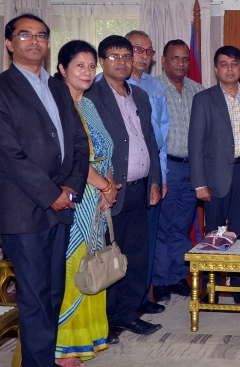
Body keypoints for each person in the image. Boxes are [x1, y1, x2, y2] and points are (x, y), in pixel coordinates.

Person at [0, 14, 89, 367]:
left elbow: (78, 143)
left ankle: (41, 360)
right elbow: (7, 154)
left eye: (41, 35)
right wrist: (51, 194)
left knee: (53, 293)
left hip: (62, 206)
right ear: (9, 43)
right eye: (25, 35)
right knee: (35, 296)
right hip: (25, 210)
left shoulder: (58, 87)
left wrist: (70, 187)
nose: (34, 41)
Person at [84, 35, 162, 344]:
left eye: (126, 56)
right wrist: (105, 185)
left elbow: (149, 141)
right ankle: (106, 321)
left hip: (140, 189)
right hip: (110, 191)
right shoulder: (91, 96)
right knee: (109, 257)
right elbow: (90, 147)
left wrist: (154, 181)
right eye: (114, 56)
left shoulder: (139, 95)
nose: (122, 61)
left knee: (136, 256)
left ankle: (128, 314)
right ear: (102, 61)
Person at [53, 40, 117, 366]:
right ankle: (64, 350)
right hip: (75, 200)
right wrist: (104, 186)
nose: (88, 71)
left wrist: (110, 188)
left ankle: (85, 341)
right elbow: (74, 159)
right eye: (80, 65)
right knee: (72, 272)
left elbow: (105, 150)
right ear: (62, 69)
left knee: (93, 269)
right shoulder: (58, 106)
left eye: (92, 66)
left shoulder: (88, 104)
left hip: (97, 201)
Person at [189, 46, 240, 304]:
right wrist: (199, 183)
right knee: (214, 234)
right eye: (223, 64)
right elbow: (195, 144)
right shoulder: (204, 99)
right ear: (216, 69)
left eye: (234, 63)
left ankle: (239, 286)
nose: (229, 69)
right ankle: (212, 287)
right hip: (215, 176)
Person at [153, 39, 204, 302]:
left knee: (181, 226)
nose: (181, 63)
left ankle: (176, 277)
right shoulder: (152, 88)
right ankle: (160, 280)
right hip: (167, 167)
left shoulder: (198, 90)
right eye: (175, 58)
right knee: (162, 226)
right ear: (163, 60)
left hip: (192, 168)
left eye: (185, 59)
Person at [124, 30, 171, 315]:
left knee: (148, 241)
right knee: (124, 243)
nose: (144, 55)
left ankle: (141, 297)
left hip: (150, 175)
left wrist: (160, 177)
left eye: (149, 51)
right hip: (122, 179)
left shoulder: (154, 86)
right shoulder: (106, 84)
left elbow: (160, 137)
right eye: (138, 49)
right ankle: (121, 305)